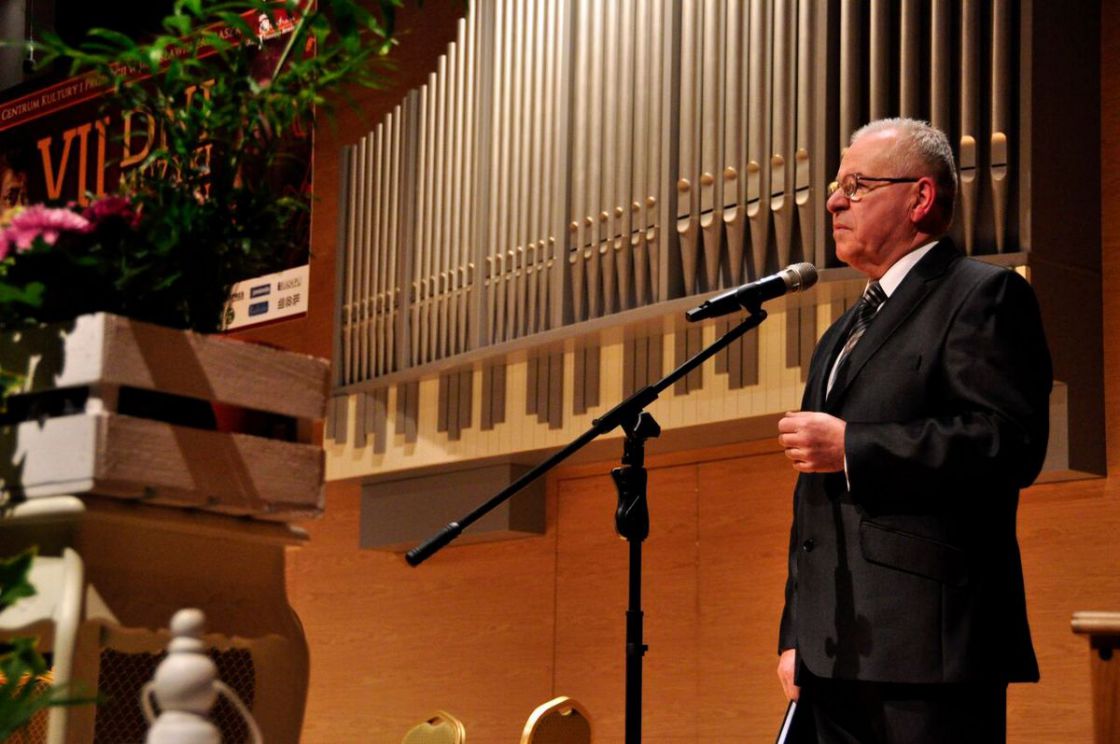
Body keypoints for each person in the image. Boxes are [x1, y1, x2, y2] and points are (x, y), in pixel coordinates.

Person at [775, 118, 1052, 743]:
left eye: (857, 185)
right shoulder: (843, 330)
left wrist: (852, 445)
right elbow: (814, 510)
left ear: (920, 198)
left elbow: (1008, 442)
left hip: (928, 656)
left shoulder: (983, 295)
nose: (833, 201)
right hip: (833, 653)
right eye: (834, 186)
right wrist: (796, 633)